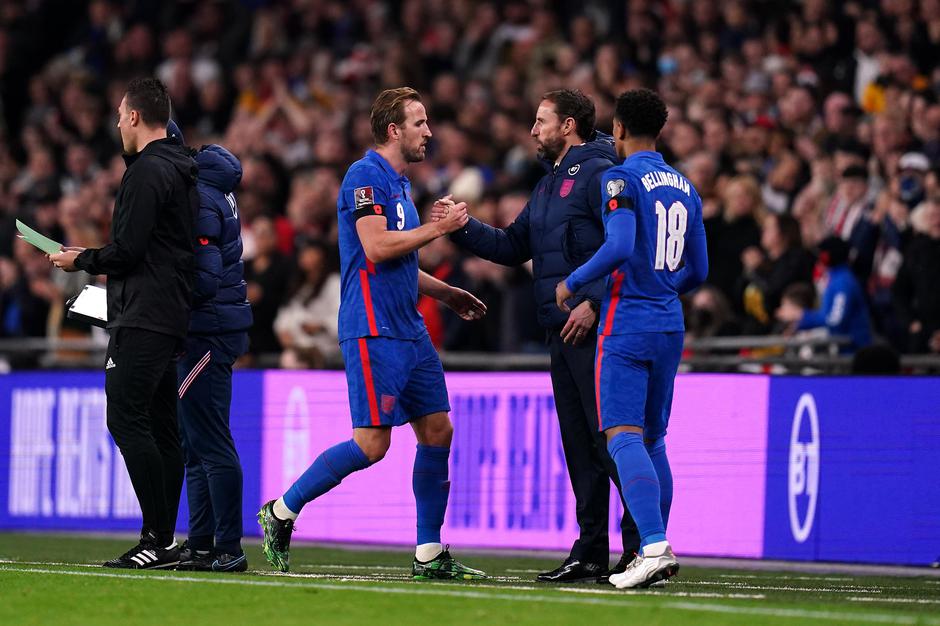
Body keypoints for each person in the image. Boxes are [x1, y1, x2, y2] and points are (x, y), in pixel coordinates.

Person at [257, 87, 488, 580]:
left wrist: (446, 292)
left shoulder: (400, 185)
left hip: (409, 327)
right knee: (371, 444)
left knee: (438, 428)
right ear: (393, 130)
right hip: (372, 328)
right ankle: (280, 512)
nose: (429, 132)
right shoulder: (365, 176)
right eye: (420, 122)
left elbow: (399, 261)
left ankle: (428, 553)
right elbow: (378, 247)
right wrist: (439, 229)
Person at [433, 89, 640, 583]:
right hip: (560, 330)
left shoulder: (601, 171)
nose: (532, 130)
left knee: (611, 441)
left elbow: (628, 243)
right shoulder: (551, 184)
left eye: (540, 120)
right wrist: (462, 227)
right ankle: (590, 550)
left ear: (568, 125)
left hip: (594, 328)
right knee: (580, 448)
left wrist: (592, 299)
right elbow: (511, 245)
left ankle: (642, 545)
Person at [556, 88, 708, 589]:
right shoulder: (686, 186)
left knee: (622, 436)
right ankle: (653, 550)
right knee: (655, 440)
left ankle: (654, 547)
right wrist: (665, 288)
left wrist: (573, 282)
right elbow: (699, 269)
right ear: (659, 129)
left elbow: (619, 245)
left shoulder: (620, 178)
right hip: (670, 323)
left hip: (627, 324)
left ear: (618, 128)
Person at [49, 78, 197, 569]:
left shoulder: (147, 171)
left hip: (144, 315)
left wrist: (80, 259)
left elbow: (128, 251)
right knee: (159, 424)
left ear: (134, 116)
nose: (115, 122)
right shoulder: (179, 167)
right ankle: (163, 538)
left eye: (118, 114)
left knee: (125, 417)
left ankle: (155, 538)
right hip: (165, 312)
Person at [168, 121, 254, 573]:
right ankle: (202, 543)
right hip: (213, 326)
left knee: (211, 441)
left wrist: (168, 306)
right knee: (197, 442)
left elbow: (204, 275)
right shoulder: (212, 187)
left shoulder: (199, 195)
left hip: (206, 329)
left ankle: (228, 546)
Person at [776, 237, 872, 353]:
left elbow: (835, 320)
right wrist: (799, 325)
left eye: (821, 254)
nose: (819, 258)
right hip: (843, 350)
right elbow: (827, 316)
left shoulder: (843, 282)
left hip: (853, 352)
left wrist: (801, 315)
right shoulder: (835, 278)